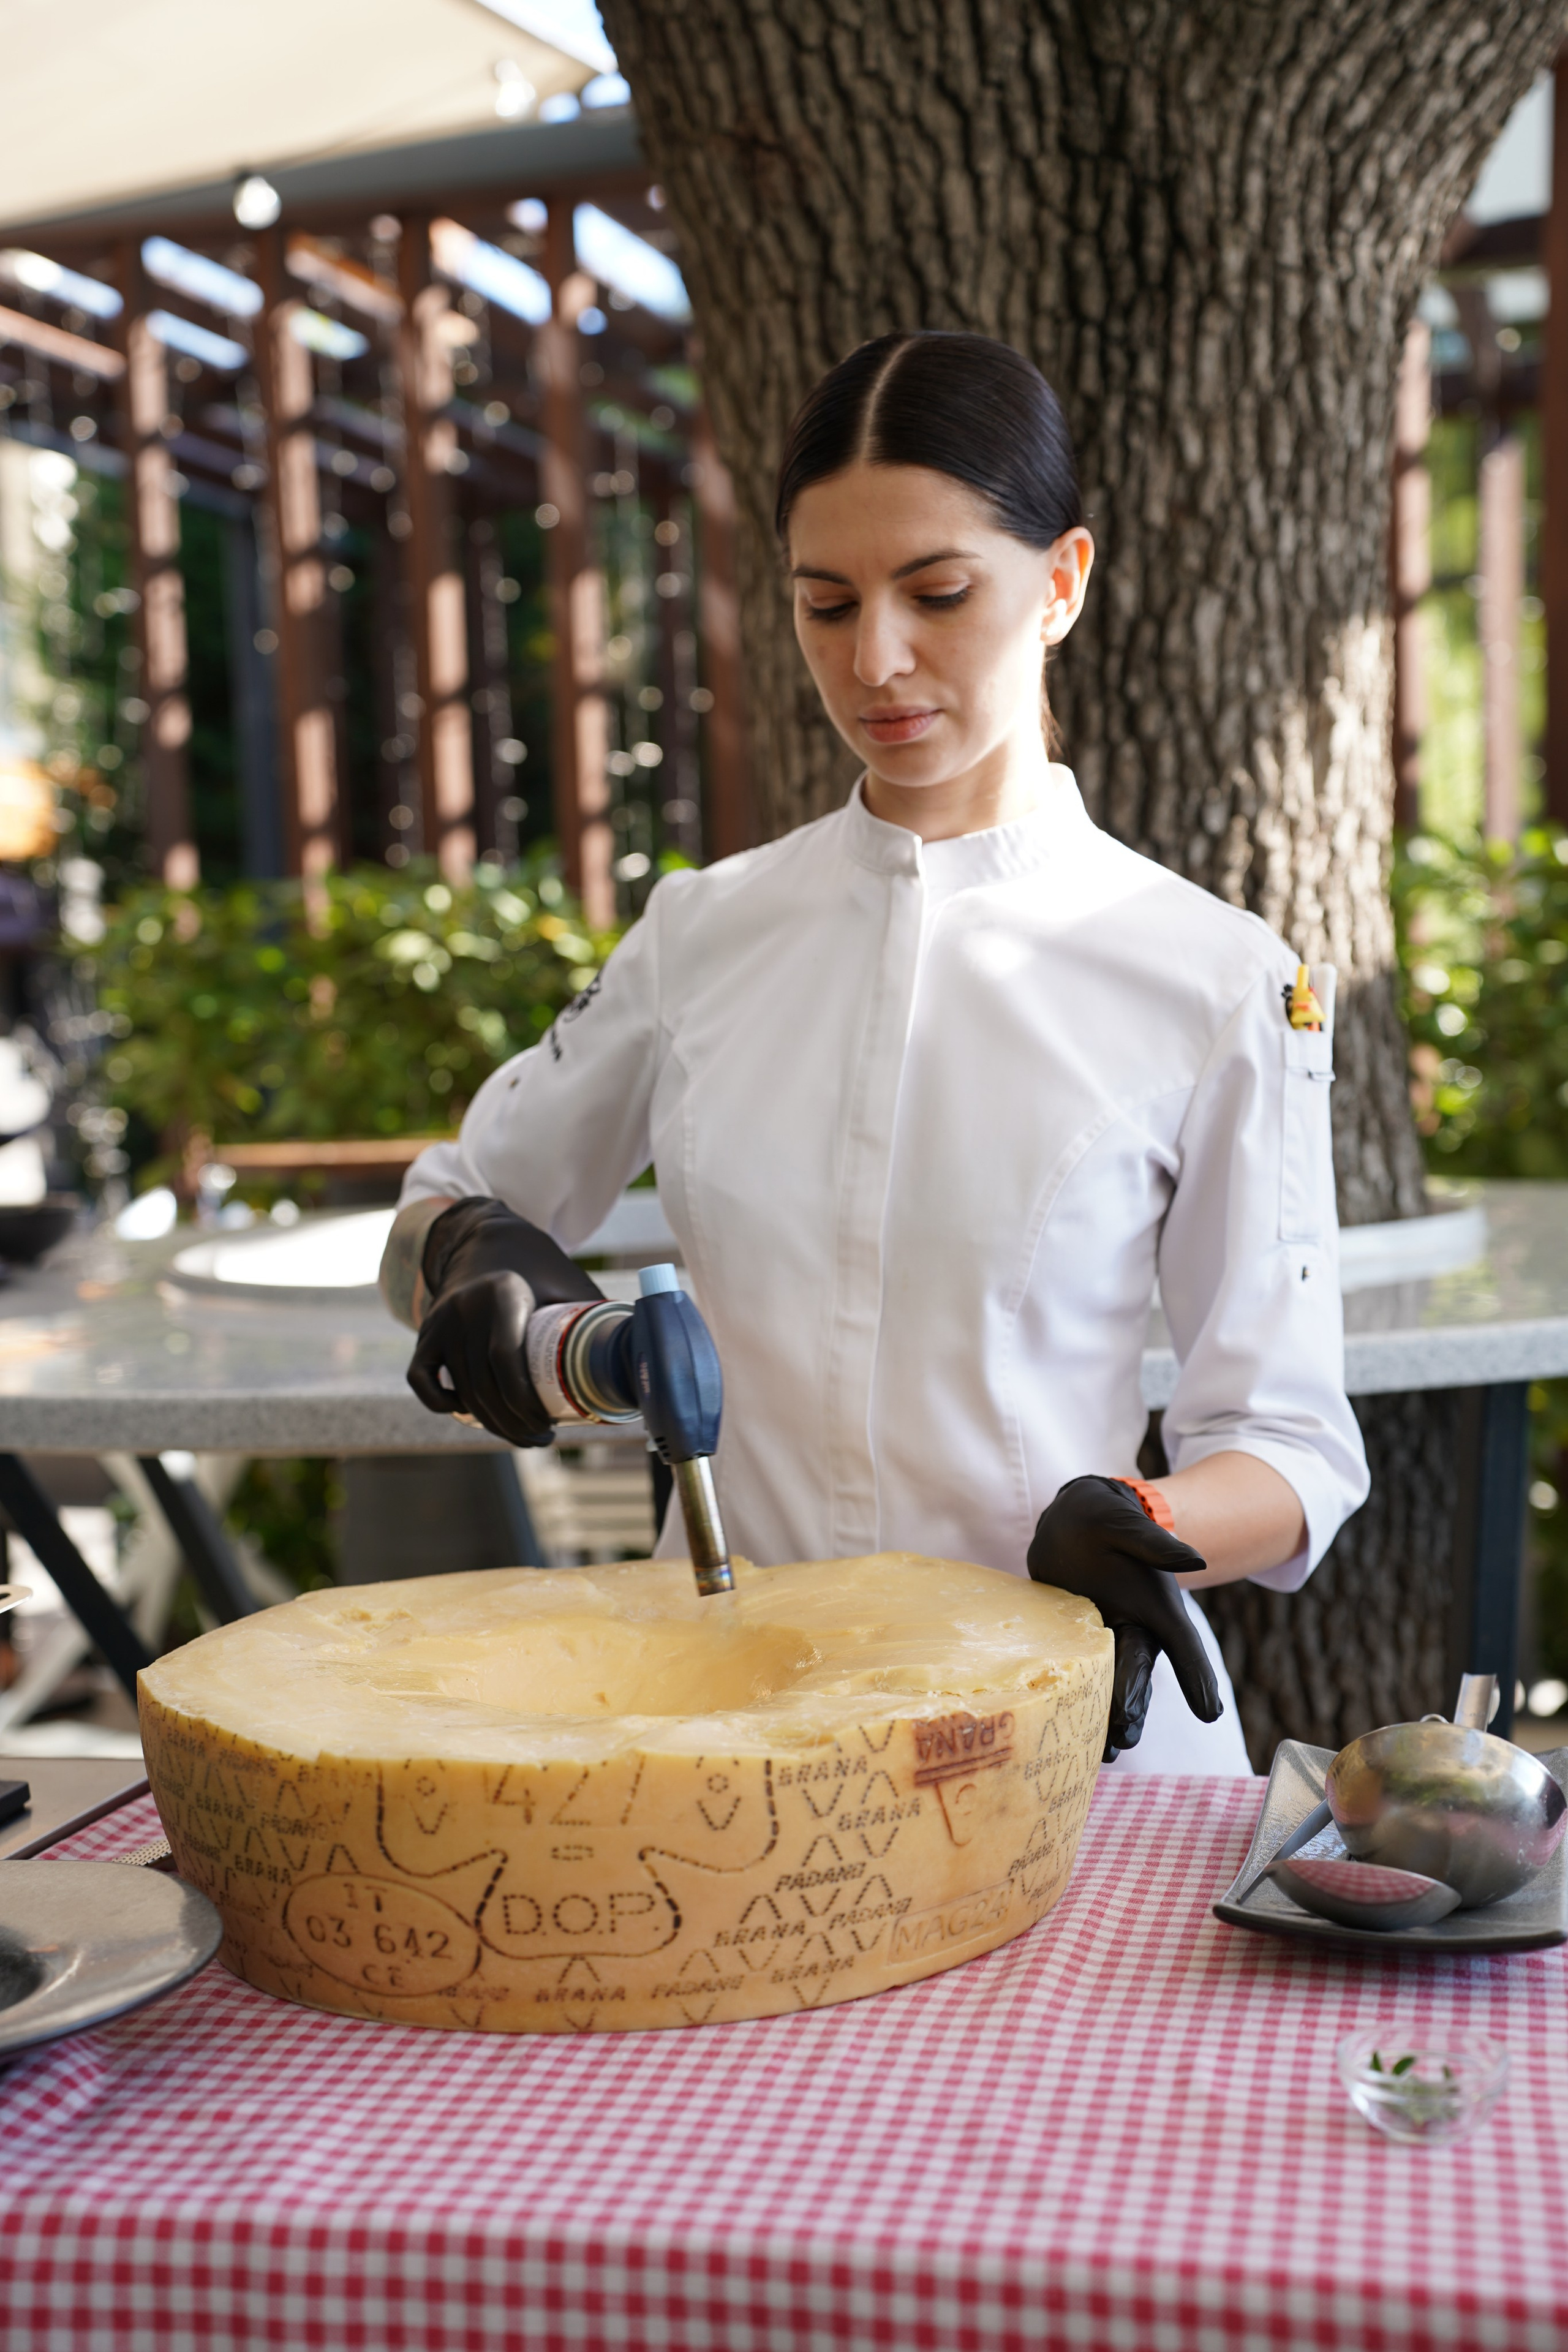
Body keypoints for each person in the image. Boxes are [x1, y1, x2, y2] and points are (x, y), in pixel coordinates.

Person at [382, 331, 1368, 1773]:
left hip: (1057, 1731)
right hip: (714, 1721)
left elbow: (1290, 1446)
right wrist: (495, 1289)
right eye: (825, 604)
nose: (875, 661)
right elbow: (449, 1206)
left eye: (937, 593)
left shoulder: (1214, 976)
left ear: (1062, 583)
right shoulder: (704, 934)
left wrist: (1149, 1523)